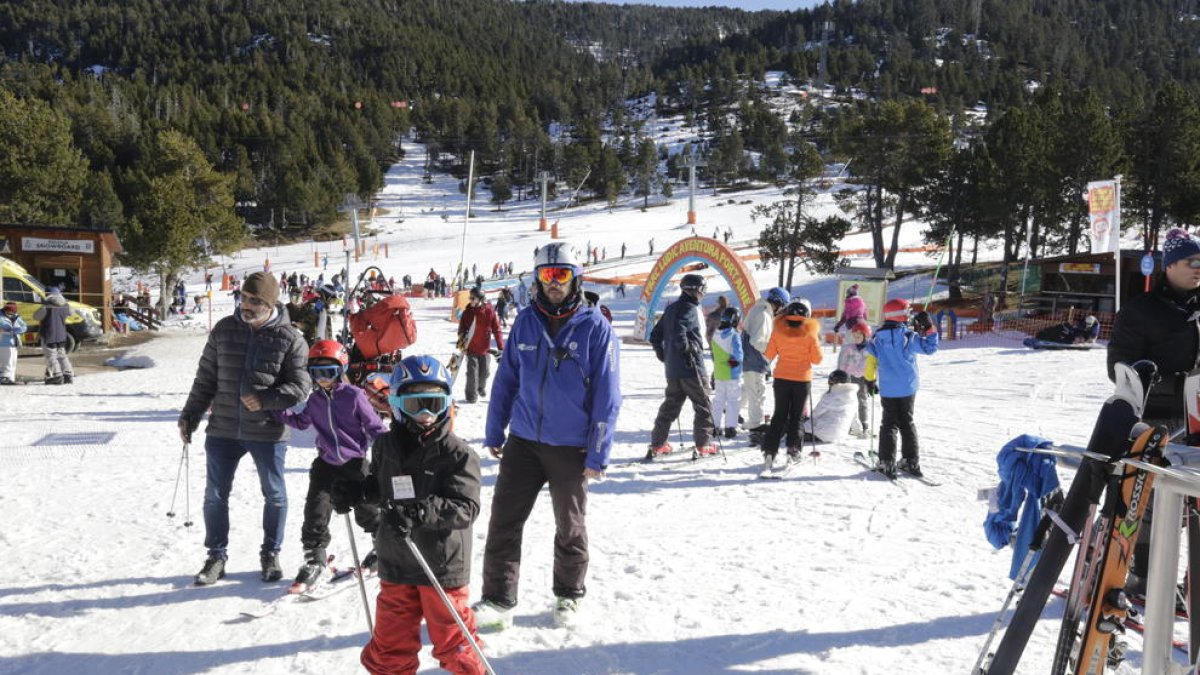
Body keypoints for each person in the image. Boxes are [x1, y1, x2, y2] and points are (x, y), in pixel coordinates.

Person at [475, 242, 621, 630]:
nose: (554, 283)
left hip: (570, 446)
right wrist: (495, 429)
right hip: (523, 440)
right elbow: (506, 380)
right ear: (537, 279)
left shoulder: (596, 328)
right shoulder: (525, 321)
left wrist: (597, 453)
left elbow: (608, 396)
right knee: (504, 520)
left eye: (561, 275)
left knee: (569, 525)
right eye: (546, 275)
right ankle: (497, 600)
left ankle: (568, 596)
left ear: (575, 277)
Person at [335, 355, 487, 675]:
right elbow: (381, 485)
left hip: (440, 564)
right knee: (390, 645)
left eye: (435, 402)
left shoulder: (458, 454)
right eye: (417, 404)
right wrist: (360, 492)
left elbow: (466, 508)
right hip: (397, 560)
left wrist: (422, 510)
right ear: (397, 403)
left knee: (454, 643)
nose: (427, 414)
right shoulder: (386, 446)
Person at [179, 271, 312, 585]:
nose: (246, 305)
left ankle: (270, 553)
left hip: (267, 431)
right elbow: (206, 378)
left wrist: (266, 399)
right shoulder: (225, 329)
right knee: (214, 495)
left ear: (270, 304)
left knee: (274, 495)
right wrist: (190, 414)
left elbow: (301, 387)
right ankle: (216, 556)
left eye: (255, 301)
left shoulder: (291, 338)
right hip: (223, 428)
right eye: (243, 297)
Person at [1108, 227, 1200, 594]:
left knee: (1193, 501)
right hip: (1157, 417)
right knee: (1149, 502)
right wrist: (1170, 383)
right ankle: (1142, 579)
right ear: (1171, 265)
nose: (1199, 269)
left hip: (1197, 416)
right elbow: (1120, 367)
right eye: (1193, 262)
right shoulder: (1141, 310)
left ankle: (1191, 588)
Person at [275, 340, 388, 590]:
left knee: (366, 509)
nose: (323, 379)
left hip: (354, 462)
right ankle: (315, 558)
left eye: (329, 372)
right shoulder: (315, 399)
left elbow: (374, 427)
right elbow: (302, 422)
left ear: (340, 370)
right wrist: (275, 411)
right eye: (316, 373)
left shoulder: (354, 395)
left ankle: (383, 546)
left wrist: (388, 449)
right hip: (325, 463)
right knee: (316, 507)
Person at [865, 298, 939, 478]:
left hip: (889, 388)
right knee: (907, 422)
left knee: (889, 423)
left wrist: (870, 377)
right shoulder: (908, 337)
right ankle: (910, 460)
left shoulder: (878, 338)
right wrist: (929, 328)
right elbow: (930, 348)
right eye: (908, 313)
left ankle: (887, 462)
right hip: (907, 387)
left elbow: (871, 353)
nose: (910, 316)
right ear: (901, 316)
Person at [648, 273, 718, 458]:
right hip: (692, 367)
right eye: (703, 290)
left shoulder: (671, 309)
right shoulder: (689, 308)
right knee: (704, 406)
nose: (703, 294)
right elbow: (680, 330)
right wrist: (686, 349)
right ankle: (704, 445)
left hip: (673, 370)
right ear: (696, 290)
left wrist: (662, 353)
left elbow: (654, 335)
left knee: (670, 406)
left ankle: (658, 443)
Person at [760, 299, 823, 470]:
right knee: (797, 417)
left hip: (781, 378)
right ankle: (793, 450)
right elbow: (817, 359)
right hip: (802, 380)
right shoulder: (810, 333)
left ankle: (769, 451)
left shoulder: (778, 331)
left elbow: (769, 354)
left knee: (779, 415)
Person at [742, 287, 791, 446]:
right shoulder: (763, 315)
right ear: (777, 303)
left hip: (752, 360)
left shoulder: (759, 309)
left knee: (750, 389)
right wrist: (773, 349)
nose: (781, 311)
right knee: (757, 391)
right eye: (782, 307)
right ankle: (756, 424)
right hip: (754, 359)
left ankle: (732, 410)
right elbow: (758, 341)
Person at [457, 287, 504, 404]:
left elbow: (497, 329)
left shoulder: (489, 311)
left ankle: (481, 387)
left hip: (485, 349)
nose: (470, 300)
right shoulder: (467, 313)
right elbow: (461, 330)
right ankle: (471, 396)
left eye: (473, 298)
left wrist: (500, 346)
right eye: (470, 298)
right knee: (472, 372)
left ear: (481, 299)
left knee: (485, 372)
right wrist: (461, 342)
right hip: (471, 348)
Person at [836, 319, 875, 437]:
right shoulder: (849, 348)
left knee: (862, 400)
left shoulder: (870, 349)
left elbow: (873, 365)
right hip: (850, 377)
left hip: (863, 378)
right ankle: (848, 424)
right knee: (848, 400)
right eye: (855, 336)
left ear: (866, 336)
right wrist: (841, 374)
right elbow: (843, 361)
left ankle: (864, 425)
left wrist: (872, 379)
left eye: (859, 336)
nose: (856, 338)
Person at [710, 306, 744, 439]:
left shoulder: (714, 335)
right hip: (732, 373)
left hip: (719, 373)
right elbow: (739, 355)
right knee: (732, 401)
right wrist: (736, 361)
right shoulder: (734, 335)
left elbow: (714, 355)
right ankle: (730, 427)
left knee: (718, 400)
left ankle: (715, 427)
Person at [804, 370, 861, 444]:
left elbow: (815, 415)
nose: (829, 385)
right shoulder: (853, 397)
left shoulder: (831, 396)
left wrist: (804, 424)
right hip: (839, 436)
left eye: (830, 382)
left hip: (820, 434)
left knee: (794, 425)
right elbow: (855, 419)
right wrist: (858, 431)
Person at [33, 286, 74, 385]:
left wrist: (42, 306)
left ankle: (57, 376)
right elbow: (71, 312)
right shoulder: (66, 306)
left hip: (48, 334)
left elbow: (35, 316)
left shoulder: (46, 307)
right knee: (62, 355)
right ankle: (68, 374)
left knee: (51, 356)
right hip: (61, 335)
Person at [0, 301, 27, 385]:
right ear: (5, 310)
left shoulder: (16, 317)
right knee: (7, 361)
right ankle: (4, 378)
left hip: (14, 342)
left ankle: (11, 378)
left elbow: (24, 326)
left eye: (13, 312)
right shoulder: (0, 317)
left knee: (13, 361)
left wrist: (17, 330)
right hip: (3, 342)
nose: (11, 313)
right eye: (9, 311)